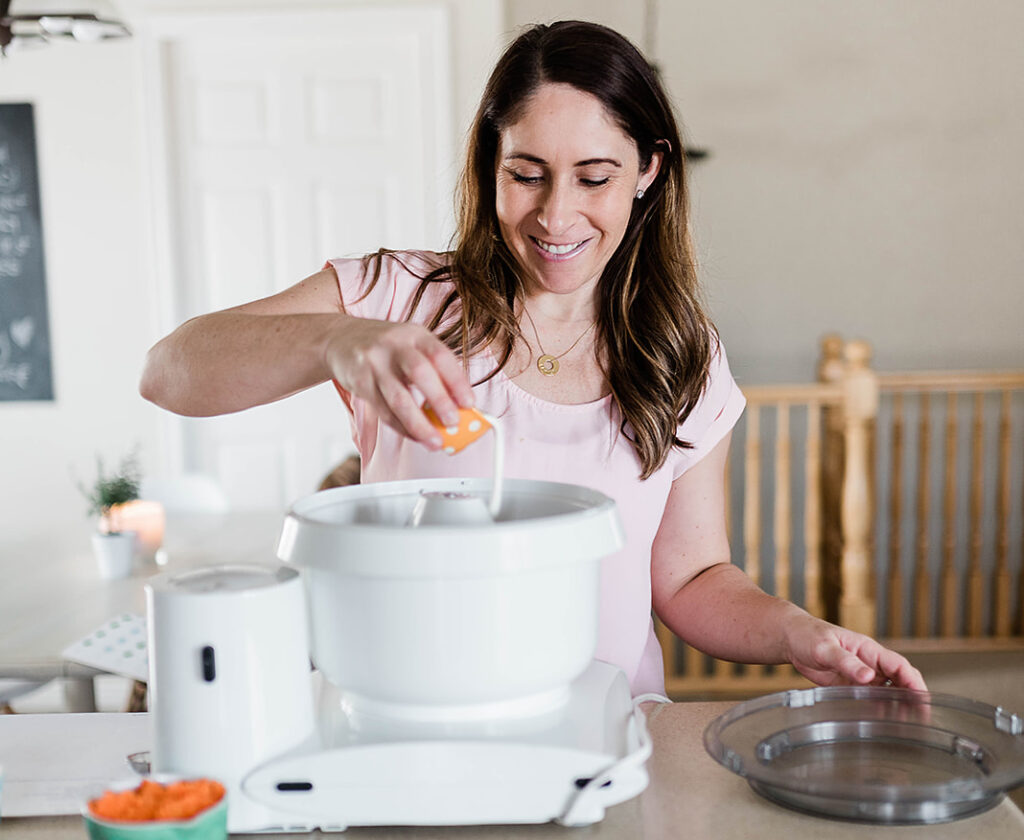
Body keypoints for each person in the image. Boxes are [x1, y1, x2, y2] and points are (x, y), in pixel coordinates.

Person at [140, 21, 925, 697]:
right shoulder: (399, 298)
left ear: (649, 171)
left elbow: (689, 579)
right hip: (411, 722)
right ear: (491, 163)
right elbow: (171, 369)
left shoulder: (682, 353)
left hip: (608, 744)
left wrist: (796, 632)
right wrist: (336, 340)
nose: (556, 216)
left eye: (594, 177)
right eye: (527, 174)